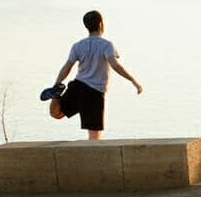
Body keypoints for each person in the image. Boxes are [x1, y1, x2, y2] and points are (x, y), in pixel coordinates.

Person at [52, 10, 142, 140]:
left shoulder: (78, 46)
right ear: (101, 24)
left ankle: (55, 94)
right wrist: (133, 81)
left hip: (78, 86)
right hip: (95, 92)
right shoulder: (106, 45)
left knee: (56, 113)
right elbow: (115, 65)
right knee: (94, 135)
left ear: (86, 26)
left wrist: (56, 84)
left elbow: (67, 67)